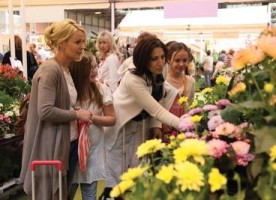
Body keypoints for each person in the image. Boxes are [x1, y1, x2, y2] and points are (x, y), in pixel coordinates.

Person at [19, 19, 92, 200]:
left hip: (67, 142)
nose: (82, 46)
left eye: (83, 42)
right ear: (61, 43)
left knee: (61, 193)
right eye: (77, 42)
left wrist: (73, 110)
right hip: (52, 144)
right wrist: (76, 114)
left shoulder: (64, 69)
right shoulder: (51, 70)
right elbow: (45, 110)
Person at [100, 37, 180, 199]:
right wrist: (186, 125)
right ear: (143, 59)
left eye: (162, 57)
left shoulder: (159, 71)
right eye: (154, 58)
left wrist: (156, 125)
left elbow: (160, 97)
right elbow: (157, 110)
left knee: (136, 176)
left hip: (140, 125)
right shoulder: (132, 78)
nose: (160, 62)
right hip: (120, 128)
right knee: (115, 182)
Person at [69, 51, 116, 200]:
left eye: (96, 66)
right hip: (71, 151)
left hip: (93, 152)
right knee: (66, 193)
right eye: (91, 67)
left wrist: (92, 117)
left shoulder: (101, 89)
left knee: (90, 194)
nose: (95, 71)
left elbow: (112, 119)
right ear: (79, 70)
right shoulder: (70, 92)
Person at [160, 41, 195, 138]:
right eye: (177, 60)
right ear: (168, 60)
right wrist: (161, 122)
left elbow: (191, 105)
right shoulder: (162, 81)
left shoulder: (190, 81)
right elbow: (157, 105)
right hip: (165, 128)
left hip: (183, 127)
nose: (181, 64)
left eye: (185, 60)